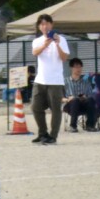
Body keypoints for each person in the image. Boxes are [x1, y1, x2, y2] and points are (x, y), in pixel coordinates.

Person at [30, 14, 70, 144]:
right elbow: (35, 53)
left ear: (51, 25)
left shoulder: (61, 39)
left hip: (55, 81)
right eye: (42, 24)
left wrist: (57, 44)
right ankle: (42, 133)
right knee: (35, 107)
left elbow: (64, 58)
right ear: (39, 27)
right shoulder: (37, 41)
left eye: (47, 23)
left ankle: (53, 136)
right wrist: (45, 44)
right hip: (40, 79)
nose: (45, 26)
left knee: (55, 109)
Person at [62, 58, 97, 132]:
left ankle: (90, 125)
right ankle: (73, 126)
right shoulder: (65, 81)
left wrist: (85, 97)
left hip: (83, 104)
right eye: (76, 67)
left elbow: (90, 95)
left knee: (90, 100)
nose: (79, 69)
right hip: (70, 105)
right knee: (75, 100)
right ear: (71, 68)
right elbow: (59, 97)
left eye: (80, 67)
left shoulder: (86, 82)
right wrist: (68, 99)